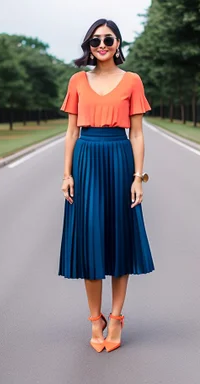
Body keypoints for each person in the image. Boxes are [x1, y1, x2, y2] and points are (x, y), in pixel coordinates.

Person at [59, 18, 155, 353]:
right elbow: (71, 132)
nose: (102, 44)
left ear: (117, 43)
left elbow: (138, 133)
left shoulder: (132, 81)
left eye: (108, 39)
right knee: (90, 239)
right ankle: (93, 319)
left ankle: (115, 318)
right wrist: (67, 174)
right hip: (86, 160)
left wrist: (138, 178)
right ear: (88, 45)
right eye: (95, 40)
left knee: (118, 239)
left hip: (119, 158)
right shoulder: (77, 81)